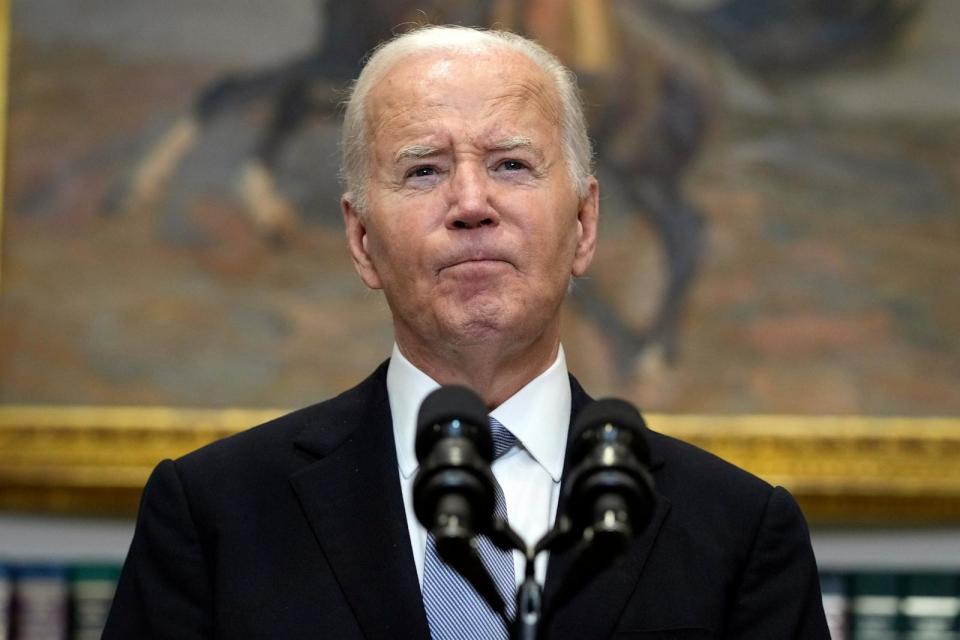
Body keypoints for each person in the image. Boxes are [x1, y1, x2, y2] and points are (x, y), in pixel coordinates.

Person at [103, 26, 829, 639]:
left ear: (584, 225)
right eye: (423, 171)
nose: (471, 204)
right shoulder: (213, 516)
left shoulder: (738, 534)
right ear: (361, 241)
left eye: (511, 164)